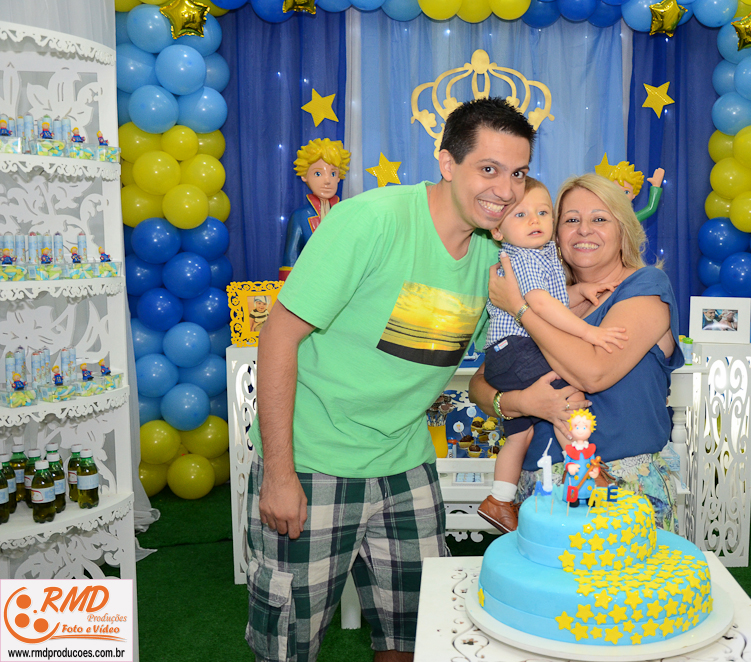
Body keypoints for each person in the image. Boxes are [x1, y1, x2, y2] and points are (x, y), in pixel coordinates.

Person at [246, 97, 534, 662]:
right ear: (447, 163)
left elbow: (498, 361)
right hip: (315, 460)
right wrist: (280, 473)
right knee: (289, 643)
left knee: (418, 633)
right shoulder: (372, 220)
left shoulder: (495, 256)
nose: (506, 190)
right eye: (490, 169)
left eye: (519, 173)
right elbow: (278, 337)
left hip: (405, 463)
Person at [470, 173, 684, 532]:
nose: (584, 230)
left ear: (624, 229)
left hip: (619, 485)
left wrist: (520, 309)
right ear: (556, 234)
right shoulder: (552, 295)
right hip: (539, 486)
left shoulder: (645, 286)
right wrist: (522, 402)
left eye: (599, 219)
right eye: (571, 220)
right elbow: (481, 382)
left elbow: (593, 373)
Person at [476, 176, 625, 532]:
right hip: (517, 347)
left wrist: (582, 291)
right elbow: (539, 304)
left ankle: (499, 499)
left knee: (519, 435)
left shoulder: (538, 255)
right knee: (569, 397)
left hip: (504, 354)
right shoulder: (524, 257)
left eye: (543, 213)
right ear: (497, 229)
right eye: (521, 214)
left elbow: (551, 299)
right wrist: (589, 332)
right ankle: (586, 471)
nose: (535, 221)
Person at [279, 138, 352, 281]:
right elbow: (291, 258)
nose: (327, 180)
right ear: (304, 176)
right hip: (310, 284)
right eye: (318, 173)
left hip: (343, 284)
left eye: (333, 173)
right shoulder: (300, 216)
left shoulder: (347, 213)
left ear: (339, 177)